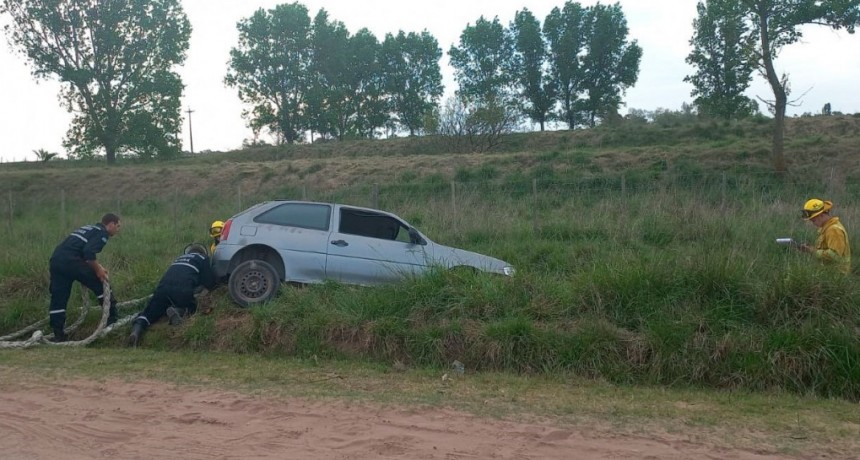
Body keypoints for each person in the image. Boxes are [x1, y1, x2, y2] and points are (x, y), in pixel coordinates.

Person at [49, 213, 121, 342]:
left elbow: (80, 250)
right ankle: (112, 320)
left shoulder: (88, 228)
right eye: (118, 226)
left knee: (58, 299)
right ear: (111, 224)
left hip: (57, 260)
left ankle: (58, 335)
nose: (118, 229)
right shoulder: (102, 233)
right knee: (101, 283)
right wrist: (98, 271)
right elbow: (88, 253)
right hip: (72, 261)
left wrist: (98, 266)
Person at [128, 245, 216, 347]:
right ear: (203, 252)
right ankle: (179, 311)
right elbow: (209, 282)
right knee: (192, 305)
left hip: (162, 288)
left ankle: (136, 330)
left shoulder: (178, 259)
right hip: (183, 289)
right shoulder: (203, 258)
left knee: (149, 313)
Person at [797, 198, 851, 274]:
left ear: (821, 215)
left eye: (813, 220)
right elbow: (826, 249)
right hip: (829, 273)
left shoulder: (833, 230)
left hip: (836, 275)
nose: (812, 223)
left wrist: (812, 250)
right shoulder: (827, 228)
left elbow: (835, 256)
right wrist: (810, 248)